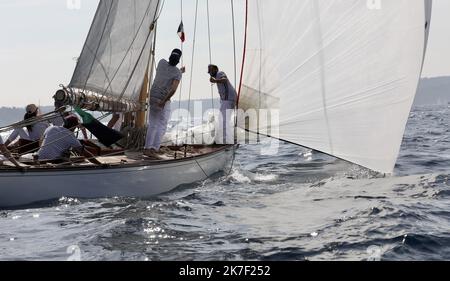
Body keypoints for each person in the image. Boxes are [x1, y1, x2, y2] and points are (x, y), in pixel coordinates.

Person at [144, 49, 185, 158]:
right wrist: (164, 101)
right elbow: (173, 89)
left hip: (152, 97)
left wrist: (179, 72)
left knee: (152, 124)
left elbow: (166, 73)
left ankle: (147, 148)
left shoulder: (161, 62)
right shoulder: (177, 73)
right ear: (178, 60)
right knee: (162, 124)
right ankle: (154, 149)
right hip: (162, 99)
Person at [37, 116, 101, 165]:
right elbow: (85, 153)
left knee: (76, 158)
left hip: (39, 158)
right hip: (53, 161)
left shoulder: (51, 128)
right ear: (74, 126)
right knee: (80, 160)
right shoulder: (70, 136)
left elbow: (41, 141)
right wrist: (99, 164)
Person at [208, 64, 237, 144]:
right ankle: (226, 139)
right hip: (227, 99)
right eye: (209, 71)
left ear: (215, 69)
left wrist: (215, 81)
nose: (210, 72)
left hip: (229, 99)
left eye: (210, 70)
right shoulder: (217, 76)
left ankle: (226, 140)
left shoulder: (220, 73)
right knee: (223, 119)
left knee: (223, 120)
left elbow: (225, 80)